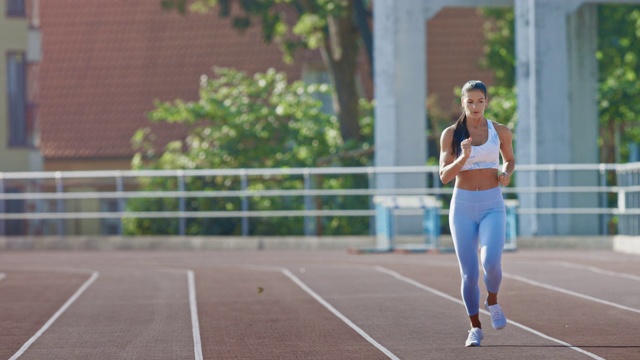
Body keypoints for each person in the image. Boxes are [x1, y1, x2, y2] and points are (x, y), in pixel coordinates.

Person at [438, 80, 515, 347]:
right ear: (462, 102)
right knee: (470, 274)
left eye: (479, 101)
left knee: (491, 262)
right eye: (469, 101)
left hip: (492, 203)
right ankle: (475, 327)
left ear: (486, 102)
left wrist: (506, 172)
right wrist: (463, 156)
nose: (475, 106)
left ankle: (492, 300)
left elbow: (510, 158)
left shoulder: (500, 131)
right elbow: (444, 176)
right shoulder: (451, 134)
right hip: (463, 207)